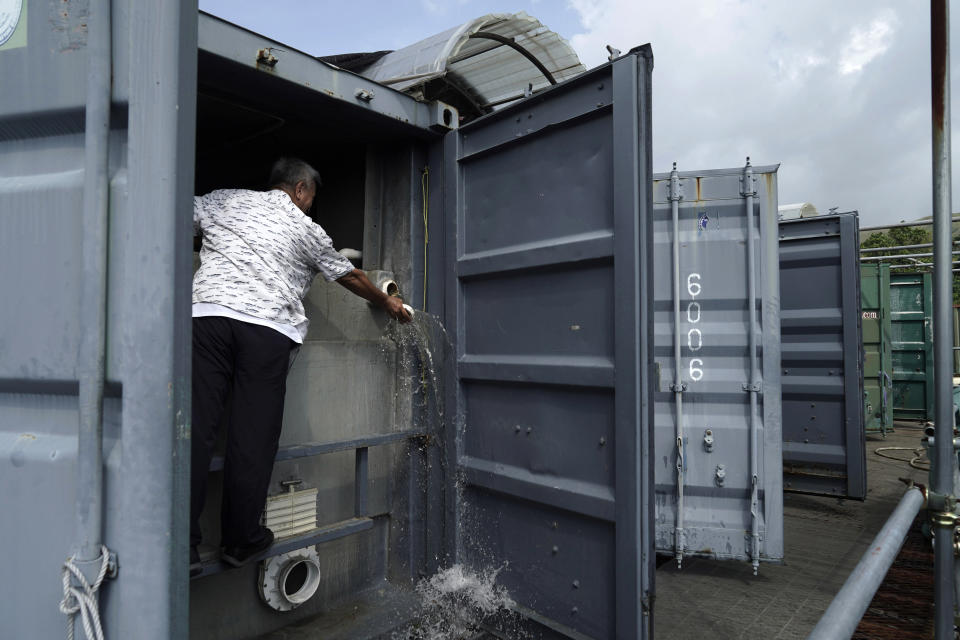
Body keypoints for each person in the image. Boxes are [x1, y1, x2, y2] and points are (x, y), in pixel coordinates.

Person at [189, 157, 411, 576]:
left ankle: (179, 546)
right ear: (301, 190)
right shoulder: (305, 228)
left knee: (194, 429)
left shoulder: (223, 200)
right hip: (266, 329)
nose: (310, 204)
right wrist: (385, 300)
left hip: (208, 318)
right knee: (251, 438)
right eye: (311, 197)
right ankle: (239, 541)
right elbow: (348, 275)